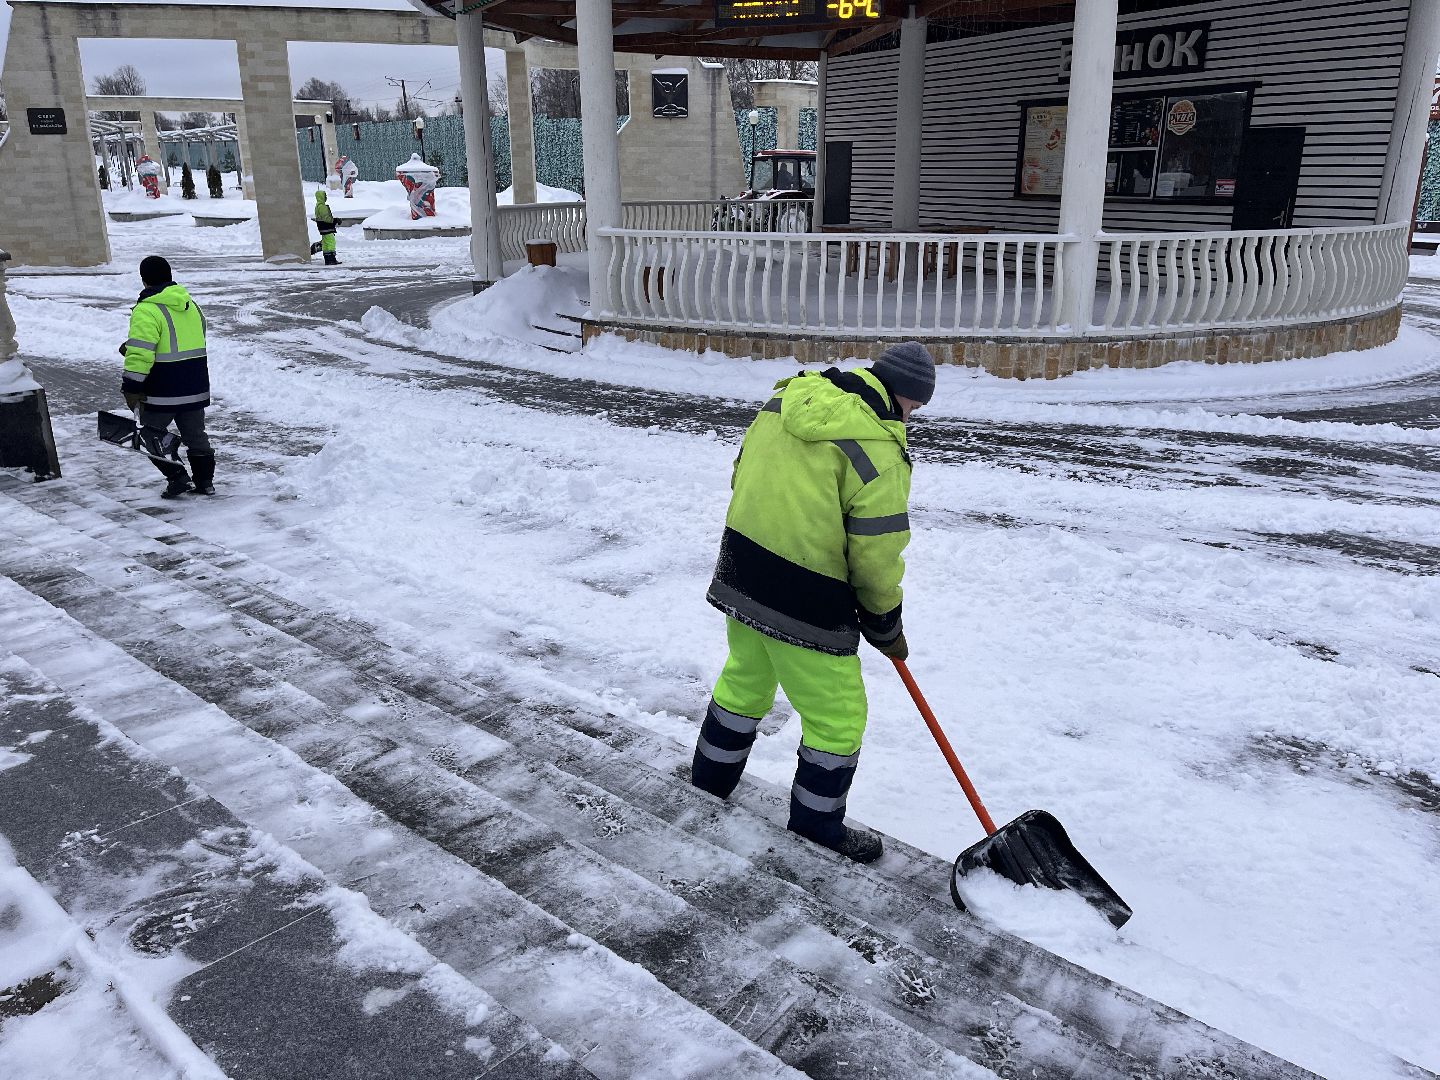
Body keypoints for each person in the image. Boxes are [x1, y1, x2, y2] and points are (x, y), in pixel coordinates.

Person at [692, 341, 936, 864]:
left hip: (742, 569)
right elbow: (876, 554)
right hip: (806, 597)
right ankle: (816, 825)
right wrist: (884, 621)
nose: (910, 418)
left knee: (745, 681)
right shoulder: (879, 447)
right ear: (901, 395)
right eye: (914, 407)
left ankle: (706, 784)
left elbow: (741, 472)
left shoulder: (784, 400)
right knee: (838, 717)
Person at [120, 255, 214, 498]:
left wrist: (131, 386)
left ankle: (177, 478)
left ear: (144, 280)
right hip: (194, 384)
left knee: (148, 434)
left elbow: (141, 354)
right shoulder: (191, 305)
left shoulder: (147, 309)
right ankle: (205, 483)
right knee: (196, 436)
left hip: (163, 389)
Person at [314, 189, 339, 265]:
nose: (326, 197)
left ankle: (327, 259)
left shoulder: (317, 206)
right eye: (325, 195)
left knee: (325, 243)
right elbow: (326, 218)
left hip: (322, 228)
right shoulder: (322, 207)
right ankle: (332, 259)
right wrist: (335, 220)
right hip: (327, 228)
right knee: (331, 242)